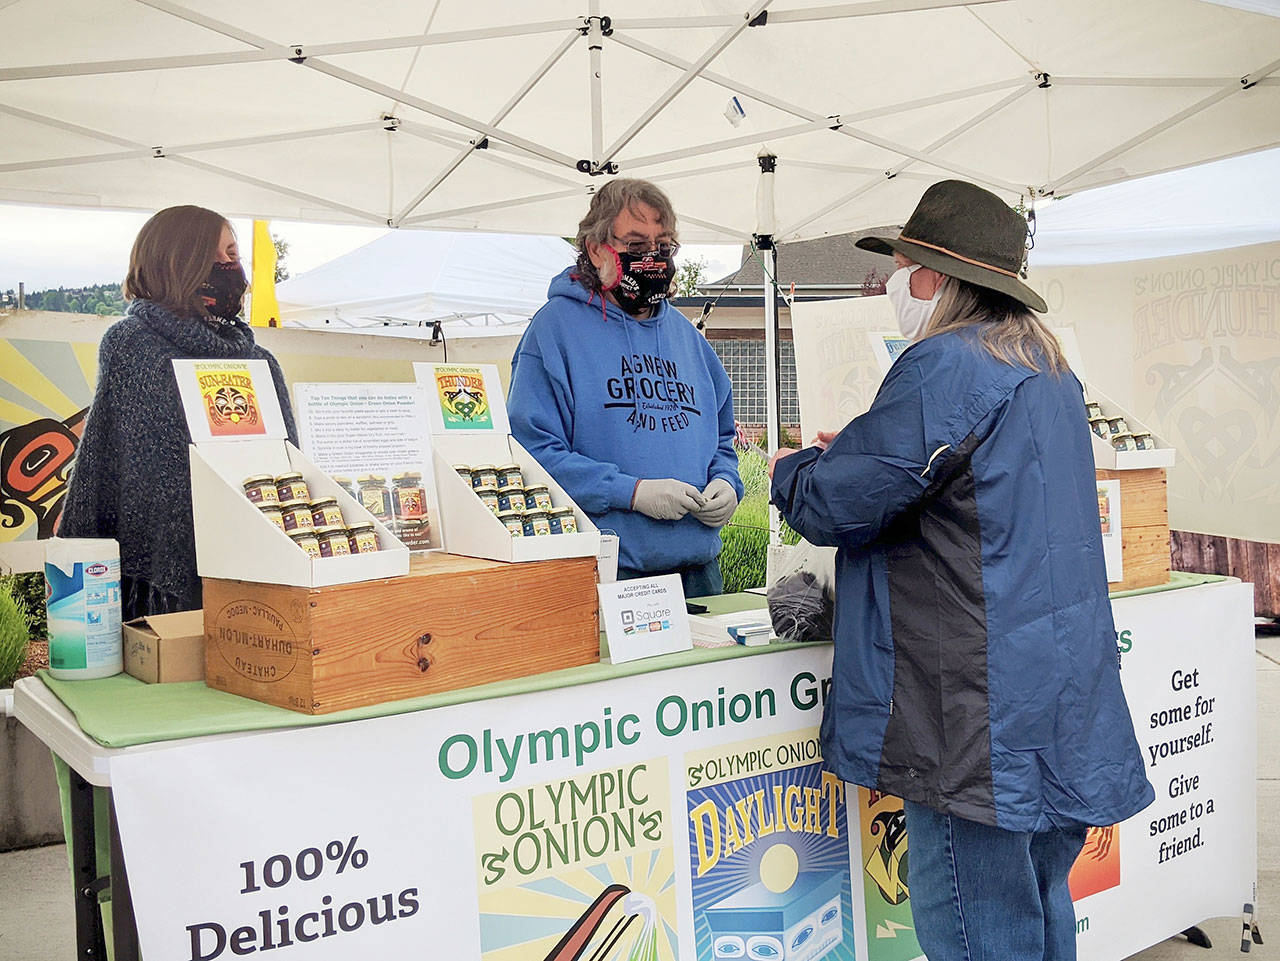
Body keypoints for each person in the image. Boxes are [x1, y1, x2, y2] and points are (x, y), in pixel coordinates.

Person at [769, 180, 1153, 961]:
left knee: (977, 936)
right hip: (1054, 704)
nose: (892, 288)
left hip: (973, 721)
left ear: (936, 278)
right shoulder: (1046, 368)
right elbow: (958, 484)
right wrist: (866, 448)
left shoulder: (946, 364)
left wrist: (794, 467)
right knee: (1041, 915)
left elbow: (838, 505)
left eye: (901, 268)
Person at [59, 205, 298, 620]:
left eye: (234, 255)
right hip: (161, 574)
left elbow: (289, 463)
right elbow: (109, 456)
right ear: (179, 261)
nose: (230, 266)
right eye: (217, 254)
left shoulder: (259, 361)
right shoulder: (132, 345)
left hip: (255, 558)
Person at [508, 179, 742, 597]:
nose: (652, 259)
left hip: (700, 575)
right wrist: (631, 493)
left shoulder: (687, 339)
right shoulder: (555, 331)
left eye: (663, 248)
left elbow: (722, 437)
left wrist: (727, 481)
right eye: (635, 248)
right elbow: (532, 455)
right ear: (597, 248)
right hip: (608, 578)